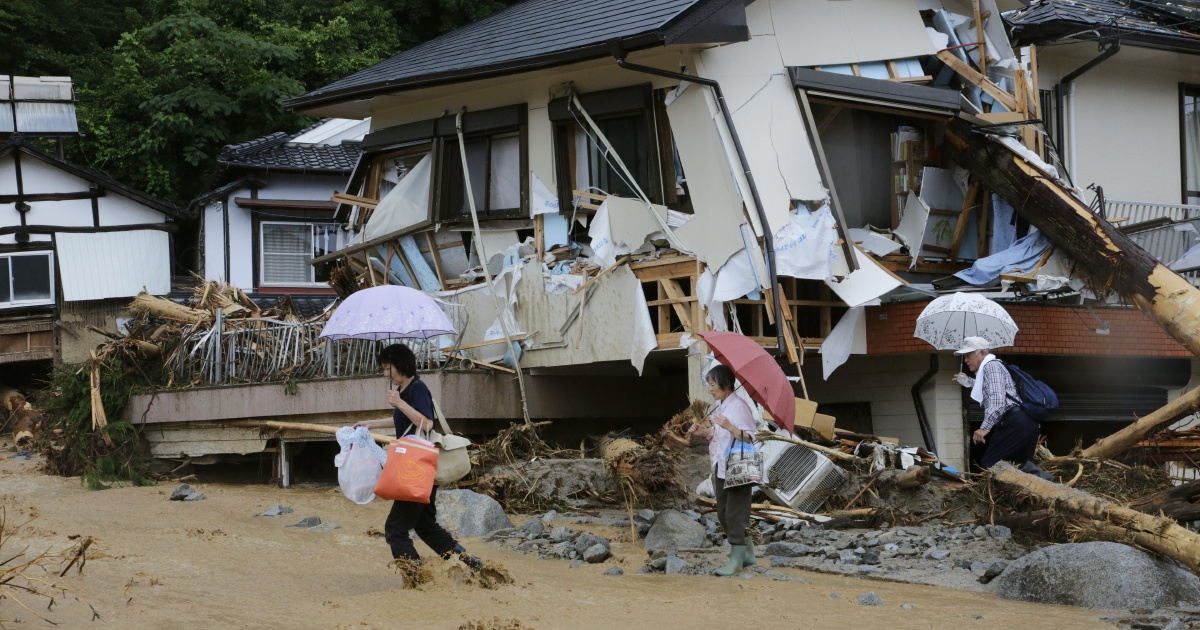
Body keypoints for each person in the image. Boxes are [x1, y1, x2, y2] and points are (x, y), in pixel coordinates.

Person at [356, 343, 482, 572]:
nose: (385, 374)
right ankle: (471, 566)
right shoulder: (406, 391)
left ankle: (417, 577)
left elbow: (426, 423)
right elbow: (404, 421)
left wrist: (400, 403)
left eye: (387, 368)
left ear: (401, 365)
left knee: (395, 529)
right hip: (420, 469)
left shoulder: (417, 388)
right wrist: (371, 423)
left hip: (415, 470)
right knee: (425, 526)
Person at [687, 364, 757, 576]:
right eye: (709, 384)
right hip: (720, 466)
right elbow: (717, 435)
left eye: (713, 384)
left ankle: (736, 561)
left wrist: (731, 427)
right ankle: (748, 554)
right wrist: (703, 432)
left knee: (735, 514)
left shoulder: (740, 406)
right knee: (722, 513)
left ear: (725, 384)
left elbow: (751, 437)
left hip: (737, 467)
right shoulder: (721, 405)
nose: (710, 388)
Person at [953, 336, 1041, 470]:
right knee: (1019, 466)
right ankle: (1047, 485)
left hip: (1015, 423)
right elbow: (988, 388)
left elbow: (998, 400)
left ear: (982, 353)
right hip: (1021, 423)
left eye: (968, 355)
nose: (966, 360)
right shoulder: (989, 368)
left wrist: (984, 428)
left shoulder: (991, 367)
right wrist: (967, 381)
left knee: (991, 464)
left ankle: (1050, 484)